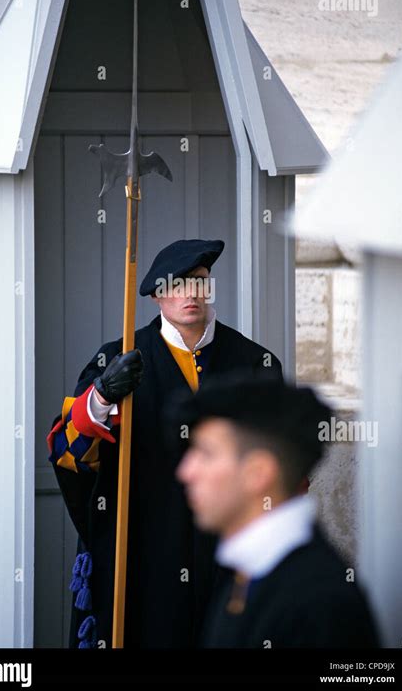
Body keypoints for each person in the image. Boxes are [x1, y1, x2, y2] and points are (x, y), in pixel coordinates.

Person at [46, 238, 283, 648]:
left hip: (227, 552)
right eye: (177, 284)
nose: (191, 294)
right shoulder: (117, 357)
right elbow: (67, 450)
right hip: (143, 547)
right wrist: (101, 397)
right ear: (157, 295)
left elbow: (282, 462)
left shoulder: (254, 362)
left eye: (200, 283)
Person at [175, 375, 381, 648]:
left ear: (258, 473)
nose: (186, 472)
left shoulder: (320, 604)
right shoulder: (251, 571)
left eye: (206, 454)